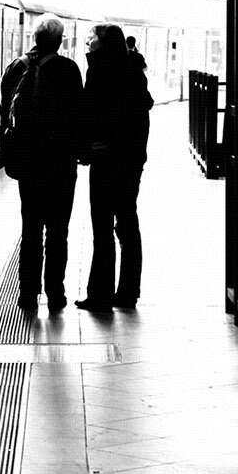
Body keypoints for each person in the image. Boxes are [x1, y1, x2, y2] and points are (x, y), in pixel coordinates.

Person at [2, 15, 84, 316]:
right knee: (58, 230)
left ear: (35, 38)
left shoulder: (16, 68)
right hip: (60, 164)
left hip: (27, 163)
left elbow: (4, 112)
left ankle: (27, 293)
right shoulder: (67, 69)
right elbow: (79, 114)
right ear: (59, 40)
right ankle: (55, 293)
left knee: (31, 228)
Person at [78, 23, 153, 312]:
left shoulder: (99, 70)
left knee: (102, 226)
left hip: (107, 159)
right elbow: (140, 113)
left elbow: (91, 113)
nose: (89, 43)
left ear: (102, 43)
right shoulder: (134, 70)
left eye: (92, 39)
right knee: (127, 222)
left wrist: (91, 146)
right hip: (132, 161)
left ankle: (100, 294)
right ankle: (128, 292)